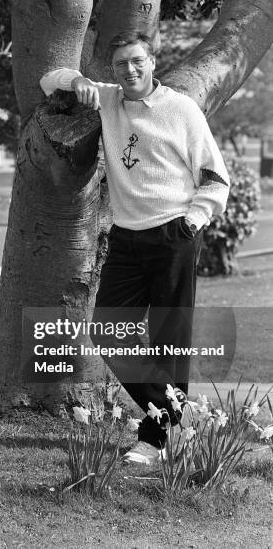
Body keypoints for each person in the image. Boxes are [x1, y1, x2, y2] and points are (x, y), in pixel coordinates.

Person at [40, 31, 230, 466]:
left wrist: (193, 220)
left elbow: (215, 175)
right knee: (108, 331)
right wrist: (76, 82)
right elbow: (48, 80)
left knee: (168, 342)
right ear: (114, 69)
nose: (131, 70)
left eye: (138, 61)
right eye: (122, 63)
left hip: (173, 235)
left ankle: (156, 438)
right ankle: (179, 416)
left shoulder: (180, 109)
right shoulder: (107, 100)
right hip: (126, 238)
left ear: (153, 61)